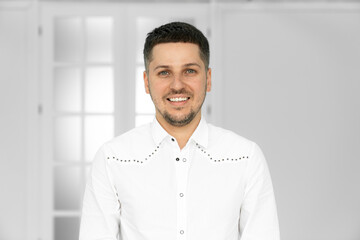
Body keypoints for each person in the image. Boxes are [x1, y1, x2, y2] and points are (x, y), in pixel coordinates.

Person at [79, 21, 280, 240]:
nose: (177, 85)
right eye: (164, 72)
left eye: (190, 71)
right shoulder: (113, 158)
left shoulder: (245, 157)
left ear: (208, 79)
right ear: (147, 82)